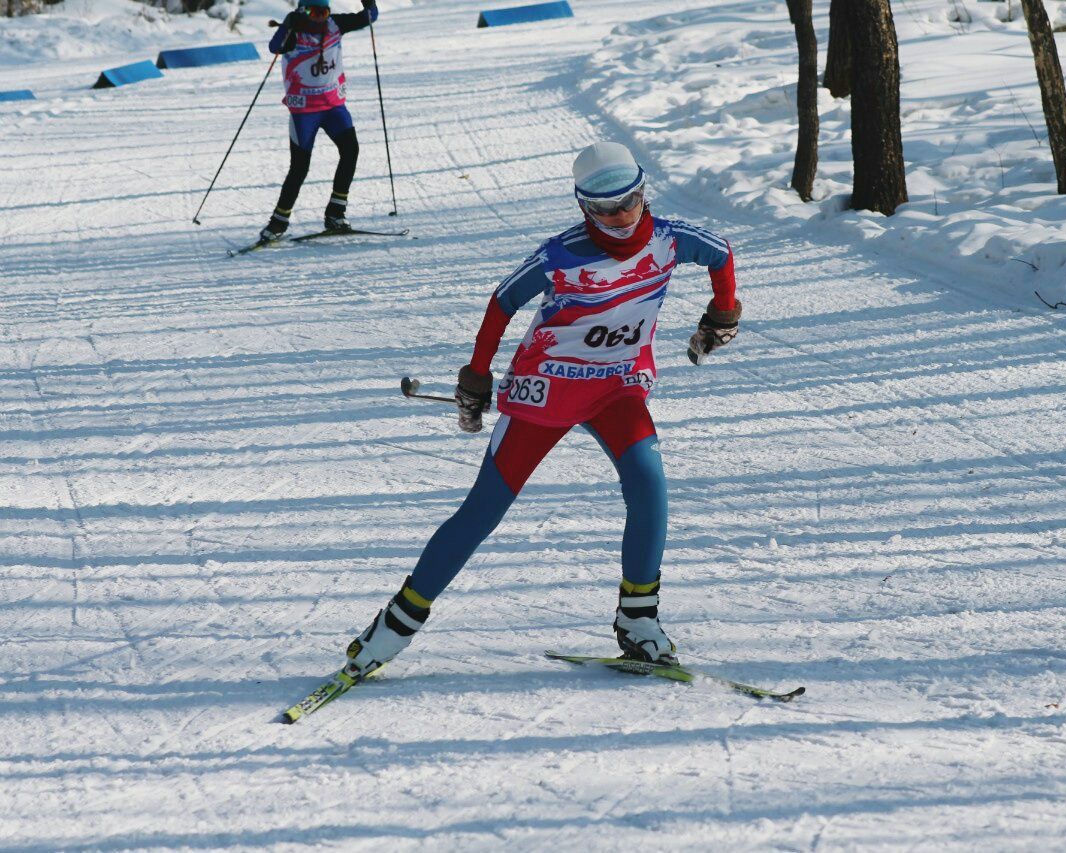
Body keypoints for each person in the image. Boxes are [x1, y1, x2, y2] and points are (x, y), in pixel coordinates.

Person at [342, 141, 742, 677]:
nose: (621, 219)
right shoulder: (561, 254)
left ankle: (639, 622)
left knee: (650, 488)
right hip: (545, 391)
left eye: (630, 202)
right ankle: (393, 627)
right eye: (604, 210)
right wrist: (477, 377)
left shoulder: (670, 239)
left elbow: (721, 255)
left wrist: (720, 315)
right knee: (484, 510)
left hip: (616, 390)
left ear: (644, 194)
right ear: (583, 208)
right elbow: (502, 301)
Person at [261, 0, 378, 242]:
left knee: (351, 151)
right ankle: (277, 224)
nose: (321, 18)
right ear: (304, 12)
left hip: (334, 107)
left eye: (325, 12)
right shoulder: (294, 30)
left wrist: (370, 3)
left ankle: (335, 213)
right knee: (300, 168)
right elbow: (275, 47)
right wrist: (287, 25)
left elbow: (370, 16)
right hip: (304, 112)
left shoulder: (335, 24)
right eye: (315, 12)